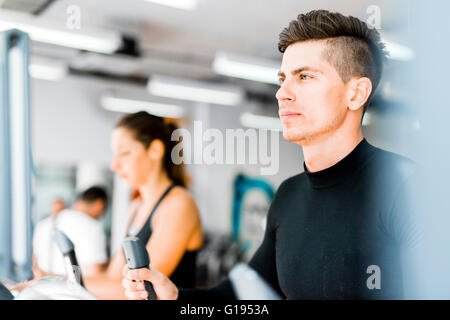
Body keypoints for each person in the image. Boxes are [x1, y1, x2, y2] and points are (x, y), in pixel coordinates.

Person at [122, 10, 422, 300]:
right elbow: (245, 298)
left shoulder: (405, 189)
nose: (282, 93)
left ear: (355, 94)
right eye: (283, 79)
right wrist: (176, 299)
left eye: (304, 77)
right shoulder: (289, 196)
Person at [83, 112, 204, 299]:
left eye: (124, 153)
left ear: (155, 150)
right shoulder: (137, 205)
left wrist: (61, 280)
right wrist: (53, 278)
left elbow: (139, 289)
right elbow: (113, 277)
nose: (114, 165)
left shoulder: (179, 204)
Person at [33, 186, 108, 278]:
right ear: (99, 205)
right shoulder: (92, 226)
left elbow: (35, 264)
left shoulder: (43, 225)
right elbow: (94, 273)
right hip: (74, 290)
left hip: (42, 288)